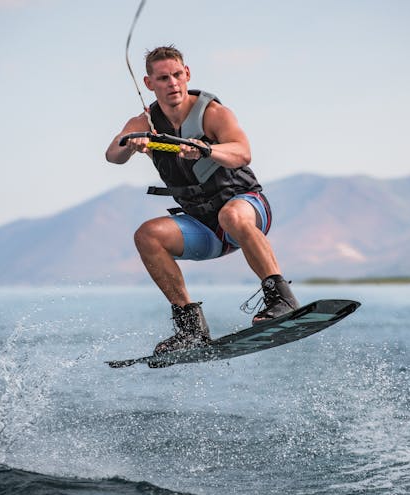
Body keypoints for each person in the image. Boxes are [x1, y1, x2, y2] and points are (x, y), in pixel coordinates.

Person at [105, 45, 298, 356]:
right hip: (203, 226)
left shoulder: (212, 113)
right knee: (147, 235)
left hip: (246, 208)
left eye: (177, 75)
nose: (172, 83)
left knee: (231, 216)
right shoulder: (146, 122)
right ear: (149, 83)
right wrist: (132, 144)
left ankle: (282, 299)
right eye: (163, 78)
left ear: (188, 74)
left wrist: (207, 150)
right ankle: (191, 328)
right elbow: (113, 155)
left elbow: (243, 152)